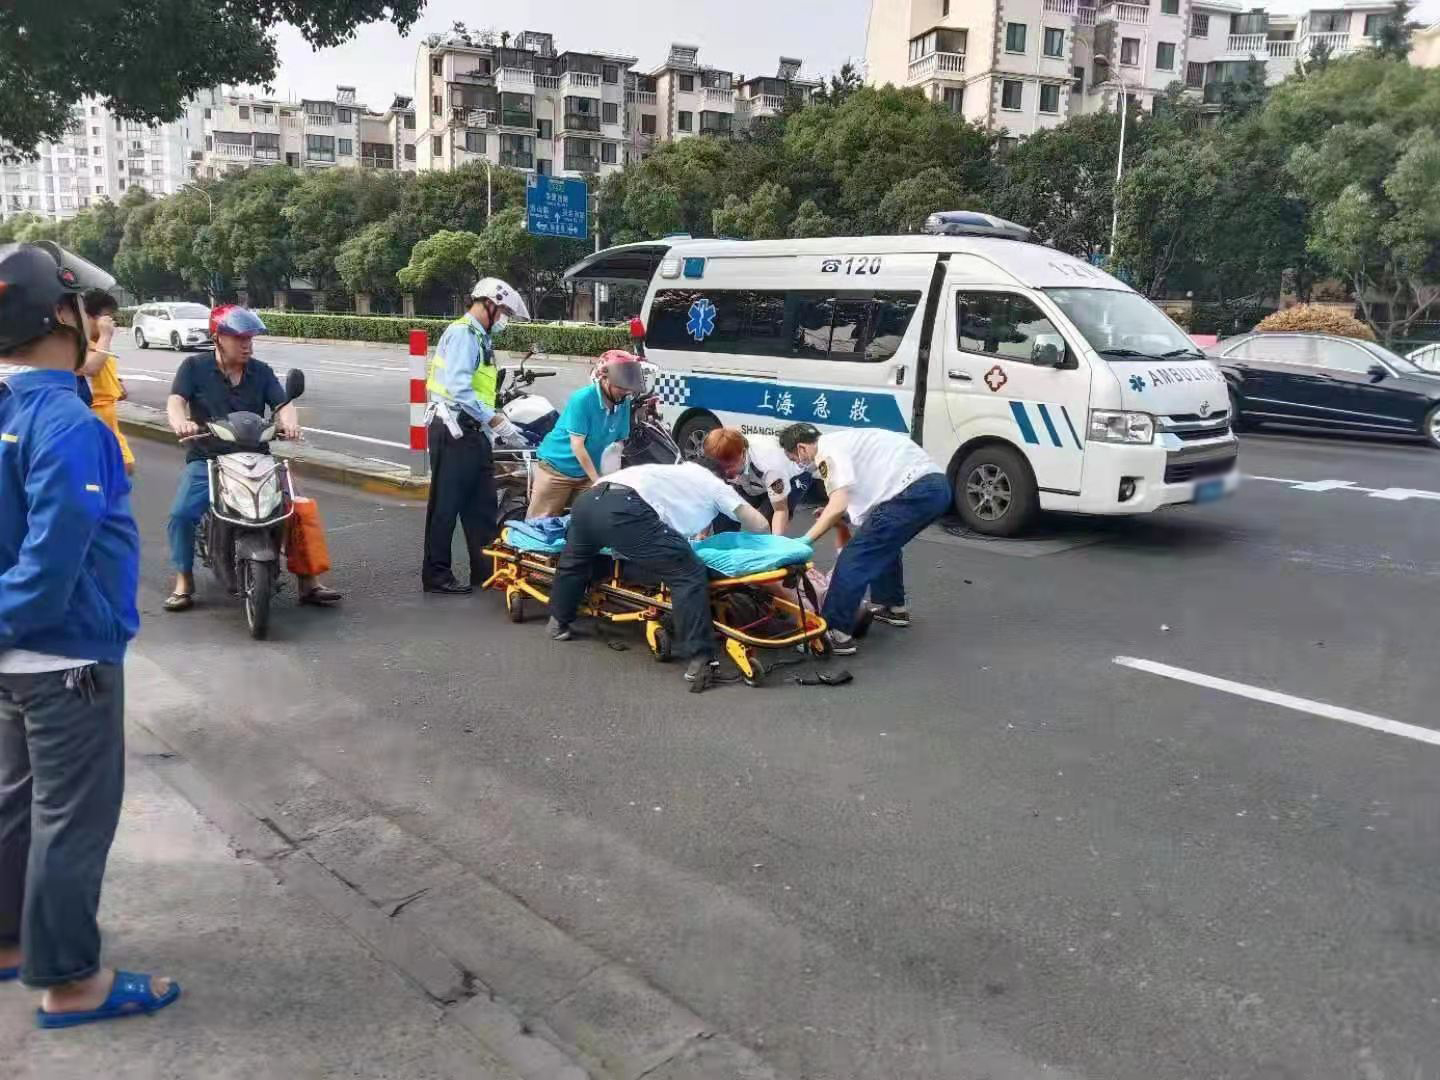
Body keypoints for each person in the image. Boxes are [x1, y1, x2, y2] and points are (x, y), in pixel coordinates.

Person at [0, 241, 179, 1026]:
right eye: (88, 310)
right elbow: (52, 563)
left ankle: (11, 942)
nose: (98, 323)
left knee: (16, 803)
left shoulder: (8, 411)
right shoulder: (65, 420)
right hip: (66, 656)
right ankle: (70, 980)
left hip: (17, 661)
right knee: (72, 819)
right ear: (62, 316)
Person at [163, 305, 341, 612]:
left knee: (297, 510)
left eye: (249, 338)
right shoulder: (193, 367)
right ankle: (184, 579)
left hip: (257, 455)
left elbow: (283, 404)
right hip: (209, 458)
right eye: (239, 338)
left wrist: (289, 423)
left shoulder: (261, 371)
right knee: (181, 515)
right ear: (218, 338)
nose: (247, 345)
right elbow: (176, 401)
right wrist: (181, 422)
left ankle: (309, 581)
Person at [546, 459, 769, 685]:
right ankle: (701, 659)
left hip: (587, 502)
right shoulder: (713, 484)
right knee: (687, 573)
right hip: (626, 509)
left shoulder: (669, 472)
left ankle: (558, 622)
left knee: (575, 562)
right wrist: (773, 547)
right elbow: (759, 524)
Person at [779, 423, 950, 656]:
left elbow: (838, 504)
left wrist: (805, 540)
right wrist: (839, 515)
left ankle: (834, 631)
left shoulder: (826, 451)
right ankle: (893, 606)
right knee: (882, 544)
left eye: (795, 459)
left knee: (855, 557)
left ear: (801, 448)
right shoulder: (845, 442)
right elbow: (857, 496)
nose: (800, 464)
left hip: (913, 490)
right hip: (935, 487)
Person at [422, 277, 531, 594]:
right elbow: (459, 389)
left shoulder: (481, 338)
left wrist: (491, 424)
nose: (505, 319)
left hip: (473, 432)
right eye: (505, 312)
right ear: (490, 304)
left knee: (481, 506)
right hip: (453, 431)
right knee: (446, 507)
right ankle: (436, 576)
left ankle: (485, 572)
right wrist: (496, 421)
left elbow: (481, 390)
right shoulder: (463, 334)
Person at [526, 350, 645, 519]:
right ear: (603, 378)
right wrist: (597, 481)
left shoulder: (623, 403)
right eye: (620, 386)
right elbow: (578, 446)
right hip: (558, 468)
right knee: (541, 523)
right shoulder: (582, 399)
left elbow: (617, 445)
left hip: (590, 471)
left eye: (627, 387)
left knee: (594, 519)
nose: (625, 391)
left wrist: (610, 479)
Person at [701, 427, 811, 536]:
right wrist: (702, 534)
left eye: (729, 466)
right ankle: (726, 544)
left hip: (791, 477)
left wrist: (775, 542)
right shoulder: (717, 465)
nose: (725, 472)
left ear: (742, 454)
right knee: (724, 511)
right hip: (751, 477)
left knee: (764, 524)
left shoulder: (770, 465)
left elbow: (780, 510)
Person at [79, 290, 134, 475]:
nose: (110, 322)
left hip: (108, 414)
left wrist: (115, 384)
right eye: (106, 317)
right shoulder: (79, 342)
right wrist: (105, 336)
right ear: (89, 317)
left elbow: (99, 371)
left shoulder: (98, 343)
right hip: (93, 413)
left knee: (124, 468)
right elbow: (91, 368)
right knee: (113, 471)